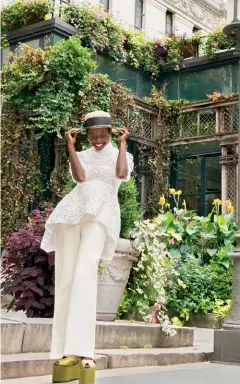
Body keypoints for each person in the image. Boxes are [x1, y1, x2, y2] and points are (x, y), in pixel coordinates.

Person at [41, 111, 134, 384]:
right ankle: (65, 351)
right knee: (67, 278)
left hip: (102, 211)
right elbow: (80, 179)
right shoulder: (81, 154)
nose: (97, 141)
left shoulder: (120, 154)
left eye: (102, 136)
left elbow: (120, 175)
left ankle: (85, 352)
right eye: (93, 136)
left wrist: (122, 144)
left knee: (85, 273)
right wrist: (71, 146)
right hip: (72, 212)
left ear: (110, 134)